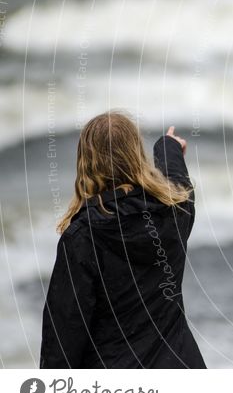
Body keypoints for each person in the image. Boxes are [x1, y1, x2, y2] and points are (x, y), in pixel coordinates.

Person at [40, 110, 206, 368]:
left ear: (86, 163)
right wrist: (167, 147)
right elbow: (179, 184)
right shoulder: (174, 213)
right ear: (136, 156)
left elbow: (63, 335)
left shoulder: (84, 237)